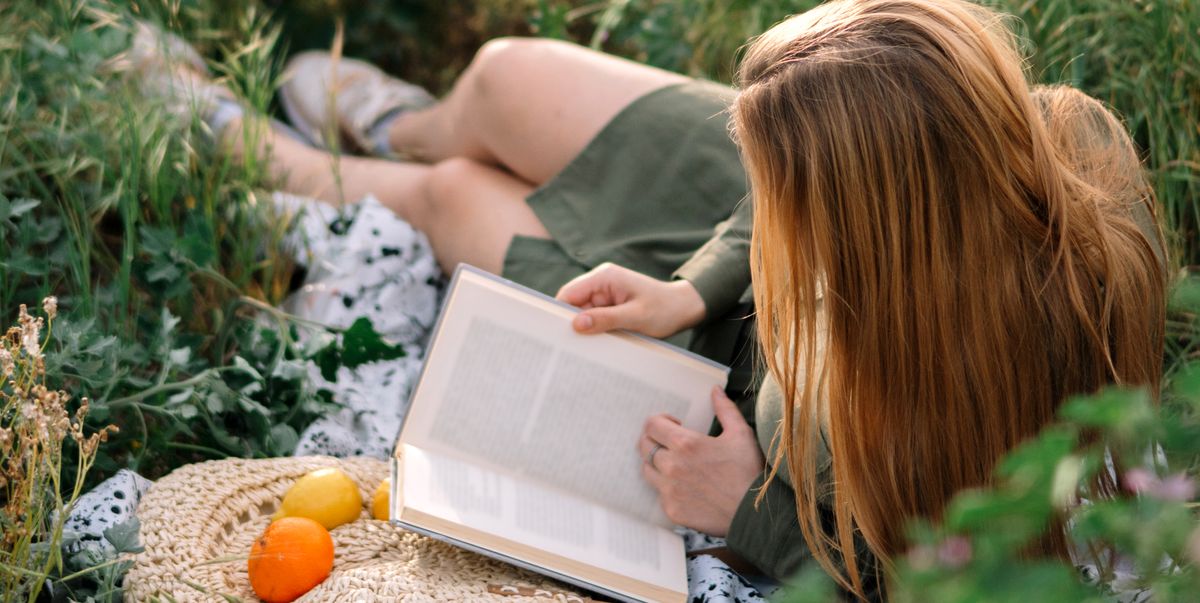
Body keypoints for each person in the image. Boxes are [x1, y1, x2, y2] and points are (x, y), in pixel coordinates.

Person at [135, 0, 1167, 598]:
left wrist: (745, 510)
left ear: (859, 241)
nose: (760, 202)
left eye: (781, 197)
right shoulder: (970, 149)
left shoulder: (983, 399)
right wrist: (690, 286)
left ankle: (256, 151)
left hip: (754, 362)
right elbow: (764, 200)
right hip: (768, 248)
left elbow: (935, 581)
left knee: (455, 206)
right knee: (504, 78)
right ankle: (402, 118)